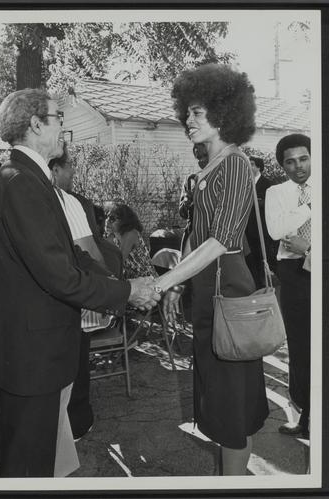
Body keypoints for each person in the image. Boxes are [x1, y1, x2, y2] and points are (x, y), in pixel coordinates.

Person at [0, 88, 160, 478]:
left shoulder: (32, 179)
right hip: (32, 357)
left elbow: (71, 256)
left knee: (43, 462)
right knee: (28, 469)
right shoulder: (18, 182)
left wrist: (124, 284)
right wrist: (129, 291)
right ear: (35, 124)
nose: (64, 127)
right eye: (58, 118)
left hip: (42, 352)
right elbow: (59, 275)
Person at [153, 64, 269, 475]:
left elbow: (220, 239)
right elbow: (193, 234)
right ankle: (226, 476)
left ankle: (232, 482)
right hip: (206, 295)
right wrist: (175, 289)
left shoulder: (236, 165)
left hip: (229, 295)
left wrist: (165, 279)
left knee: (232, 407)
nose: (188, 121)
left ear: (225, 114)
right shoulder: (206, 170)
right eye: (186, 113)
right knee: (218, 403)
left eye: (197, 113)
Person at [48, 149, 122, 443]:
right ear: (55, 169)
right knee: (76, 360)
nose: (73, 174)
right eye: (70, 168)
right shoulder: (69, 202)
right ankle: (77, 422)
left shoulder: (19, 194)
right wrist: (114, 287)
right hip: (74, 298)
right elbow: (89, 252)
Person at [265, 133, 311, 438]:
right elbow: (276, 230)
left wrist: (308, 246)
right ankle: (305, 416)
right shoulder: (276, 192)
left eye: (304, 158)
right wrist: (309, 206)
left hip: (312, 261)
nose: (298, 167)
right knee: (300, 345)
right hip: (294, 275)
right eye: (290, 162)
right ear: (282, 166)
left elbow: (295, 236)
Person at [244, 156, 278, 288]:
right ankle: (257, 287)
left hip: (262, 229)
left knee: (265, 259)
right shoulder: (245, 183)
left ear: (259, 167)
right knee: (252, 260)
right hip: (248, 230)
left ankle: (268, 286)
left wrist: (257, 202)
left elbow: (271, 203)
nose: (249, 166)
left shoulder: (268, 184)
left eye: (252, 164)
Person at [107, 203, 158, 280]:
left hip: (147, 279)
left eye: (112, 218)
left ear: (124, 220)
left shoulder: (131, 234)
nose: (107, 221)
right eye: (107, 217)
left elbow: (119, 261)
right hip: (131, 280)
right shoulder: (112, 237)